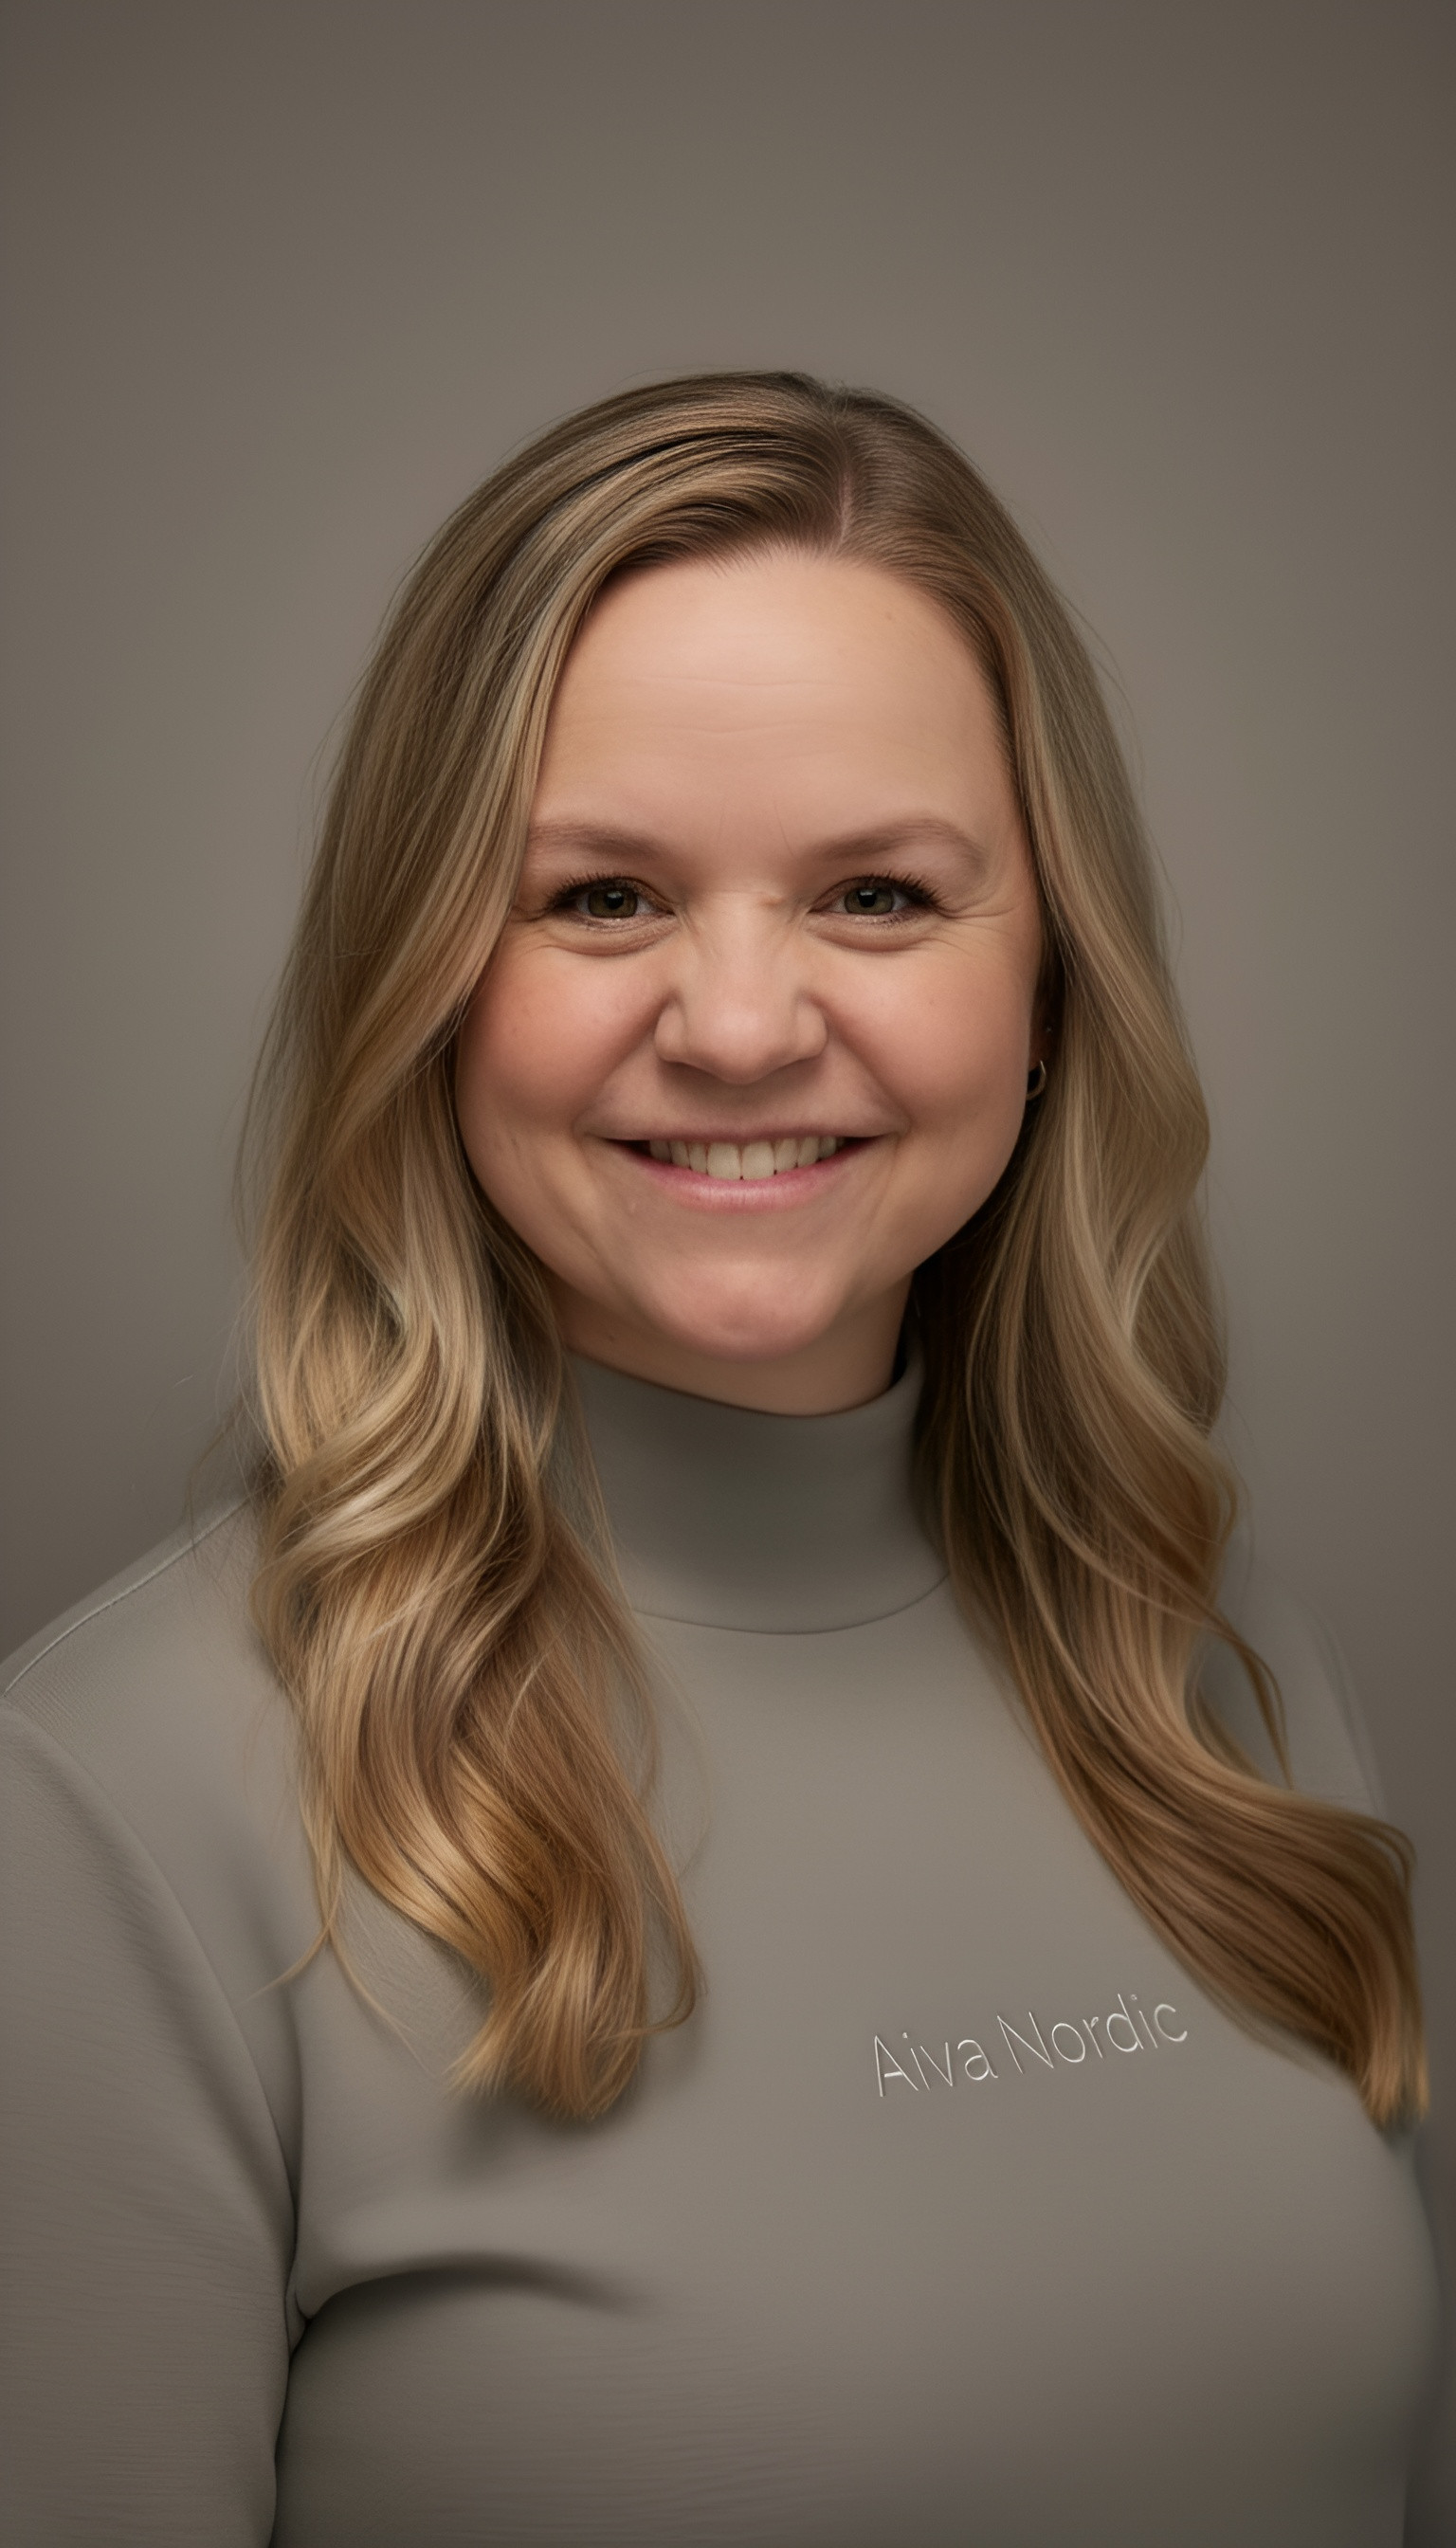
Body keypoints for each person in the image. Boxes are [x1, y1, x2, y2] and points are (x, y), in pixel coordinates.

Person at [0, 372, 1440, 2544]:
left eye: (877, 894)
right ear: (427, 987)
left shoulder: (1229, 1679)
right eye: (600, 898)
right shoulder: (109, 1811)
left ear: (1051, 989)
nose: (746, 1025)